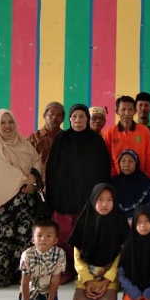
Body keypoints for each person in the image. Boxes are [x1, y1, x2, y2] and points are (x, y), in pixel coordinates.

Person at [0, 109, 42, 287]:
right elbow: (1, 171)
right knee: (2, 239)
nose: (7, 126)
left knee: (22, 239)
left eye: (10, 122)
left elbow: (37, 161)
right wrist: (24, 179)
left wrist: (34, 177)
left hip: (23, 203)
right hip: (0, 207)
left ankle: (22, 276)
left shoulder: (25, 145)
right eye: (2, 122)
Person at [45, 103, 112, 284]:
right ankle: (66, 269)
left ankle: (86, 270)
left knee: (88, 235)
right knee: (64, 235)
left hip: (88, 198)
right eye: (74, 117)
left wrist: (100, 197)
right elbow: (52, 168)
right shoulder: (61, 139)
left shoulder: (96, 141)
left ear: (87, 120)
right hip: (64, 197)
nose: (78, 120)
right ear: (69, 119)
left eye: (82, 117)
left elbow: (104, 170)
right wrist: (52, 194)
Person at [69, 183, 130, 300]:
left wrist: (108, 280)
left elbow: (122, 256)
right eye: (100, 199)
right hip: (87, 277)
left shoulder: (119, 221)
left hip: (109, 278)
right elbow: (78, 258)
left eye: (109, 200)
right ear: (93, 200)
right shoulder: (84, 222)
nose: (104, 204)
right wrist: (87, 280)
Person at [18, 219, 66, 300]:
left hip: (48, 294)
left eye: (48, 236)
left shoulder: (60, 253)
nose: (43, 239)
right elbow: (24, 281)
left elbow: (55, 281)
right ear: (33, 239)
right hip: (31, 293)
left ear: (55, 240)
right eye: (39, 236)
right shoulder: (27, 254)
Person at [103, 95, 150, 179]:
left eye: (130, 109)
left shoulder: (145, 131)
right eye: (123, 110)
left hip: (140, 180)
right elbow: (106, 158)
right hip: (116, 179)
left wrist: (147, 178)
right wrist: (113, 177)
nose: (127, 113)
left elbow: (149, 158)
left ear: (135, 111)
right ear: (117, 111)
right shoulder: (109, 133)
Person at [111, 149, 150, 220]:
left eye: (131, 161)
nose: (126, 164)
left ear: (136, 163)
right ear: (119, 163)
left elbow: (147, 206)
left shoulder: (144, 181)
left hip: (139, 220)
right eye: (123, 161)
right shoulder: (114, 182)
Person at [27, 101, 65, 171]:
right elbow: (25, 162)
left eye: (58, 115)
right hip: (38, 177)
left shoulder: (68, 138)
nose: (54, 117)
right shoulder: (33, 138)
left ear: (63, 119)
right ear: (44, 116)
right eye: (51, 114)